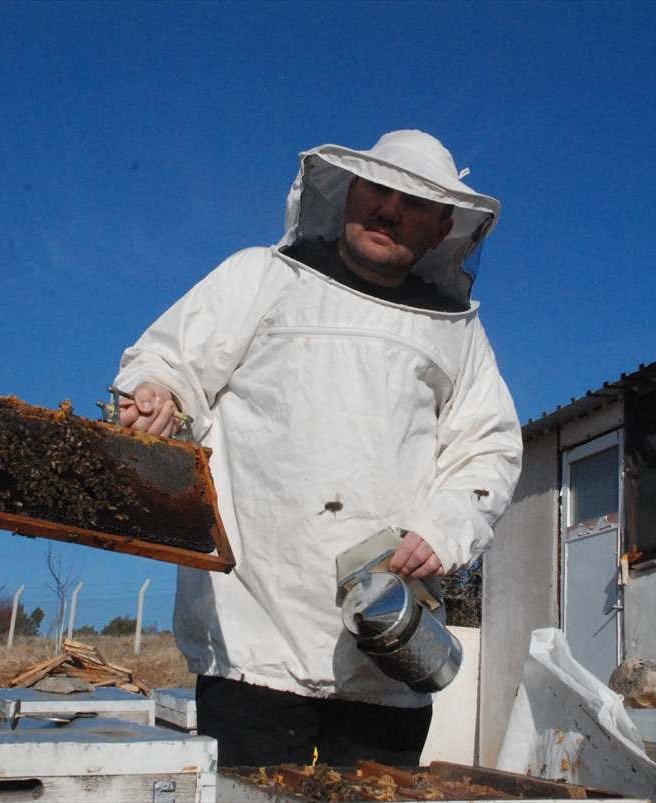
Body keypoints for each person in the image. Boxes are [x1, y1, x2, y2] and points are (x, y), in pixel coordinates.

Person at [114, 130, 522, 766]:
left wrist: (448, 526)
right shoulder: (261, 276)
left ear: (443, 227)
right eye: (377, 190)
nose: (388, 210)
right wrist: (157, 392)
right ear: (348, 193)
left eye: (413, 203)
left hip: (387, 643)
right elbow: (171, 360)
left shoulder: (458, 334)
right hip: (252, 642)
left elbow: (488, 447)